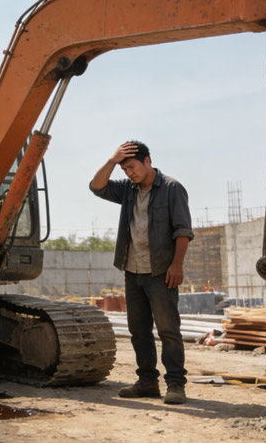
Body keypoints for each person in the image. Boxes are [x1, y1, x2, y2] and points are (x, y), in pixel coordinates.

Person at [89, 141, 193, 404]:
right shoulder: (128, 190)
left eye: (132, 167)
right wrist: (112, 161)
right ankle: (147, 382)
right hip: (132, 271)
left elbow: (182, 231)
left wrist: (177, 265)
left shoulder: (172, 189)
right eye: (124, 170)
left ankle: (176, 385)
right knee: (139, 330)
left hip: (161, 272)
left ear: (148, 161)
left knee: (168, 330)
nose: (129, 174)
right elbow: (96, 187)